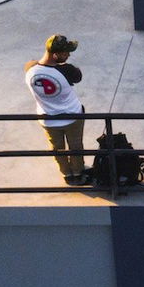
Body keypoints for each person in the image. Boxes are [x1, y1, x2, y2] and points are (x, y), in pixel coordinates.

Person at [25, 34, 89, 186]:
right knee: (76, 146)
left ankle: (67, 174)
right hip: (72, 117)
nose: (68, 55)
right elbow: (78, 76)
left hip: (48, 119)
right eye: (66, 52)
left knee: (57, 149)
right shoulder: (67, 71)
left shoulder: (30, 70)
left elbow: (32, 63)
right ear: (55, 55)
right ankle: (78, 173)